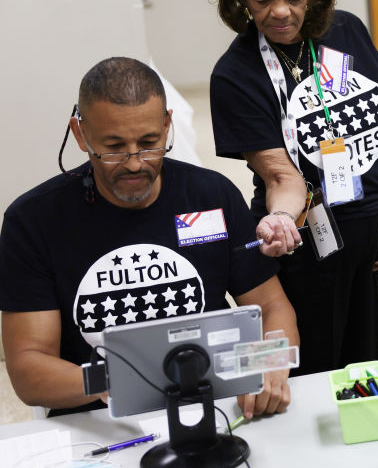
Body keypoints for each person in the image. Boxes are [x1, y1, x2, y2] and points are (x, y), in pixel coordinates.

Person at [0, 57, 299, 418]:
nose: (134, 162)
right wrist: (124, 379)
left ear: (167, 125)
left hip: (216, 402)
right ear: (80, 134)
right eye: (113, 147)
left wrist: (268, 363)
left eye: (149, 142)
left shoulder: (210, 196)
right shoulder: (34, 221)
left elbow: (271, 307)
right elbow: (29, 370)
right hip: (100, 416)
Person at [210, 0, 378, 376]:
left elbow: (374, 125)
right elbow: (281, 175)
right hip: (301, 239)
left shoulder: (345, 33)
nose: (280, 11)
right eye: (262, 0)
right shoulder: (236, 74)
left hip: (363, 225)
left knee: (360, 360)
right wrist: (280, 220)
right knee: (313, 366)